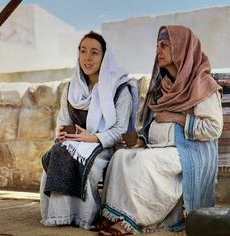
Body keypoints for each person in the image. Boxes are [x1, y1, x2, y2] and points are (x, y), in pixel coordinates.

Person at [97, 25, 223, 235]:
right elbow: (151, 125)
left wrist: (177, 118)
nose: (158, 51)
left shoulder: (202, 84)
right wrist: (140, 141)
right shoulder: (161, 85)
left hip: (189, 152)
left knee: (144, 163)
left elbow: (213, 128)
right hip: (159, 148)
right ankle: (116, 215)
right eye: (157, 45)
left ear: (181, 48)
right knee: (121, 157)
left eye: (164, 45)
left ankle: (133, 221)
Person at [39, 31, 138, 229]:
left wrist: (91, 138)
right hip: (77, 143)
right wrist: (62, 134)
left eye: (94, 52)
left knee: (86, 162)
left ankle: (85, 216)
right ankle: (60, 214)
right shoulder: (71, 88)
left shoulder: (119, 89)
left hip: (105, 145)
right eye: (83, 51)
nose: (87, 57)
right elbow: (63, 120)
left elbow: (119, 130)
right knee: (57, 152)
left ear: (104, 57)